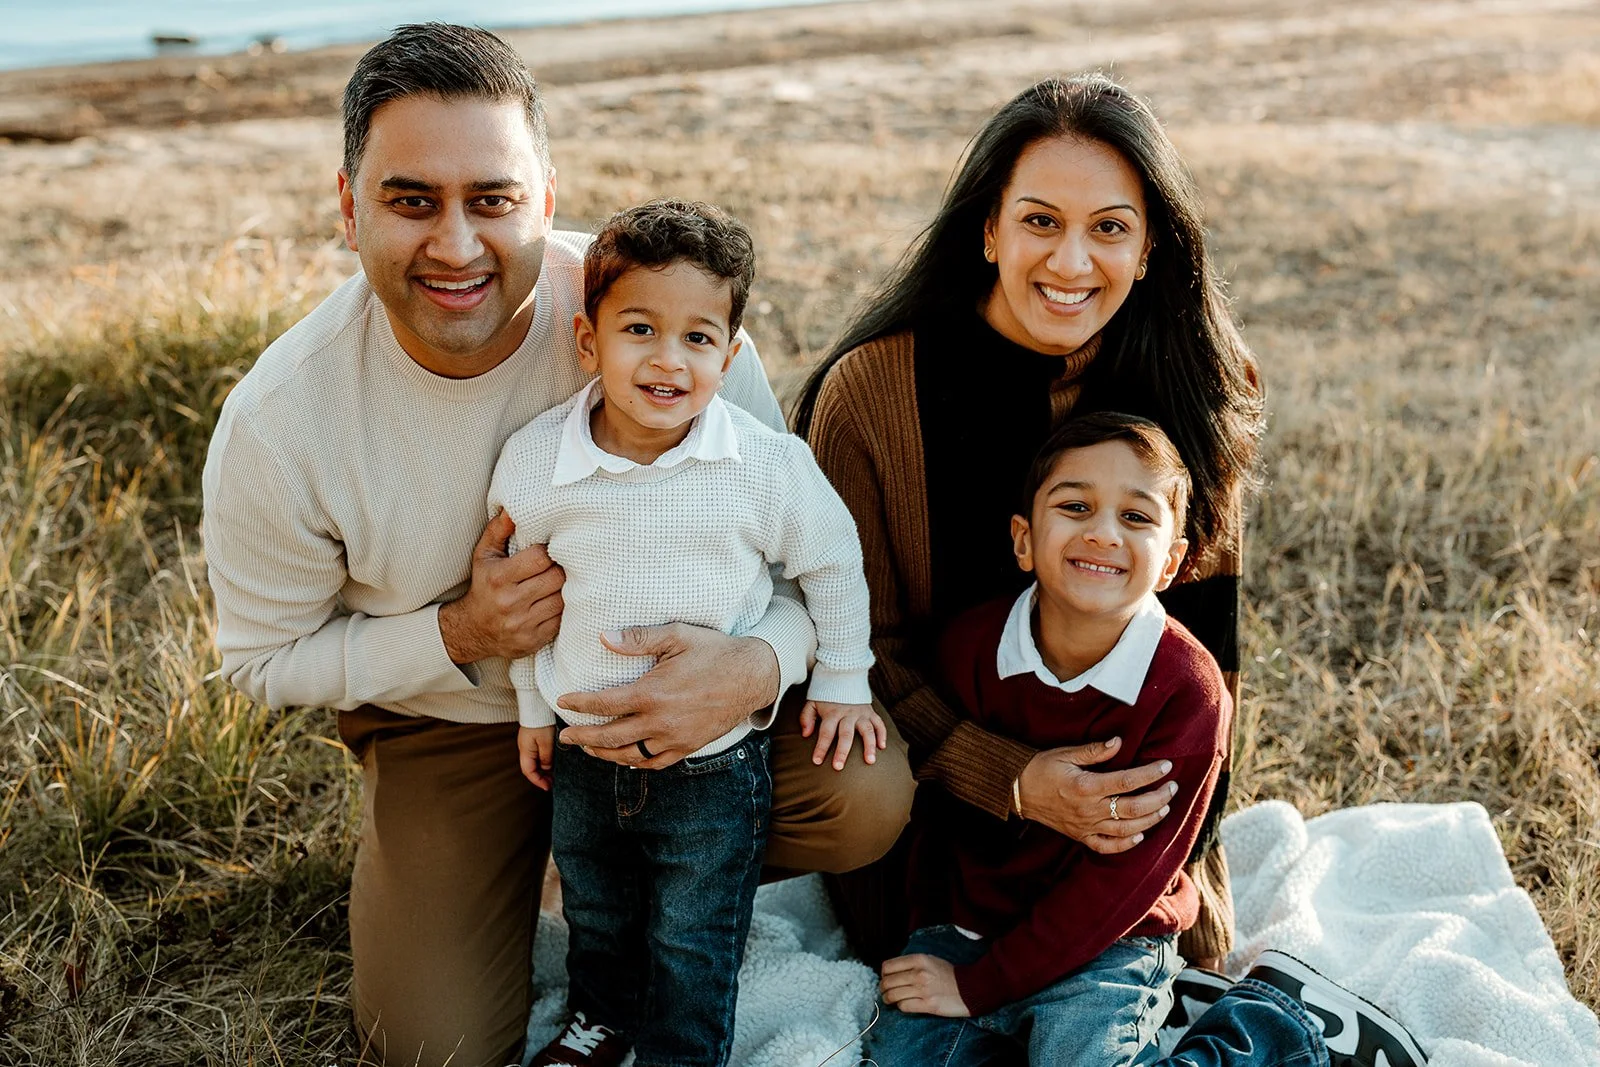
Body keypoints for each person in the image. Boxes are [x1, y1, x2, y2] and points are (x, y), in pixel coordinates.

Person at [199, 24, 912, 1067]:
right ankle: (502, 867)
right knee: (427, 1043)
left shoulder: (666, 319)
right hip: (448, 719)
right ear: (348, 207)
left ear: (543, 198)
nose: (455, 244)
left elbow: (800, 563)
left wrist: (757, 664)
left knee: (863, 794)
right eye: (411, 200)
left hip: (687, 702)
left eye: (491, 198)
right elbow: (260, 662)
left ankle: (647, 883)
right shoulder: (280, 423)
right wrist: (462, 629)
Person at [795, 74, 1426, 1066]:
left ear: (1150, 248)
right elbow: (853, 651)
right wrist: (1010, 779)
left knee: (1131, 986)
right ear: (988, 230)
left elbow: (1207, 660)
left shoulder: (1196, 384)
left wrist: (1160, 848)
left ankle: (1278, 1034)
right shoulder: (872, 391)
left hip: (1118, 826)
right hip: (937, 804)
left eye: (1110, 228)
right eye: (1040, 220)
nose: (1072, 260)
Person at [490, 199, 885, 1067]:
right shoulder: (537, 461)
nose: (669, 359)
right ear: (589, 342)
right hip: (584, 754)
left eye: (699, 338)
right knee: (597, 905)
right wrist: (529, 707)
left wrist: (844, 678)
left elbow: (832, 560)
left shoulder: (763, 466)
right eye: (641, 329)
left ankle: (682, 1048)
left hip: (714, 768)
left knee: (693, 927)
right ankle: (600, 1018)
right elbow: (526, 600)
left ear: (731, 354)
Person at [868, 412, 1229, 1065]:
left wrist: (983, 987)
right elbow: (937, 808)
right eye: (1076, 505)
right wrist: (932, 941)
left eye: (1137, 517)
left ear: (1173, 560)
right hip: (971, 925)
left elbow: (1126, 880)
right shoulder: (972, 647)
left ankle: (1271, 1033)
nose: (1102, 532)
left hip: (1109, 939)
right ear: (1024, 539)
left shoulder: (1186, 689)